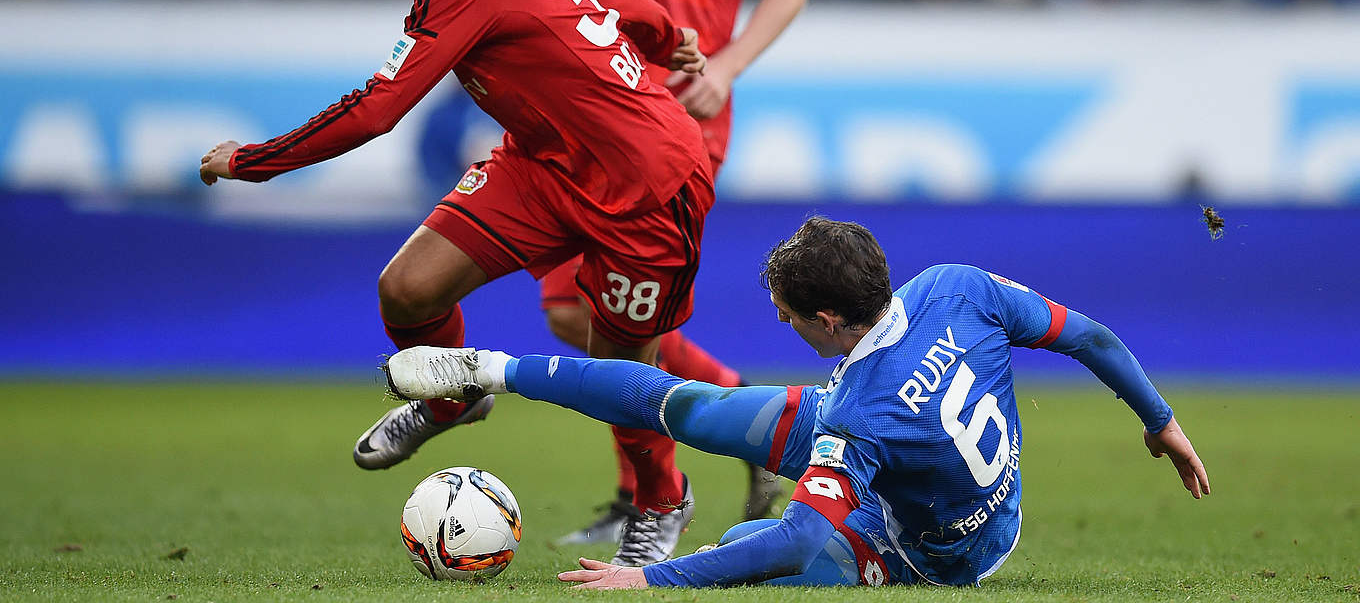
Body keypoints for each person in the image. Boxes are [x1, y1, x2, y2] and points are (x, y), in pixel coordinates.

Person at [197, 0, 713, 566]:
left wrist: (254, 161)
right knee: (407, 291)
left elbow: (377, 110)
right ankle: (452, 398)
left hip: (645, 184)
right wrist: (665, 34)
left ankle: (664, 503)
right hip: (542, 163)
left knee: (618, 378)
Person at [381, 216, 1211, 588]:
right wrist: (1162, 423)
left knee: (750, 545)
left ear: (827, 318)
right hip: (922, 445)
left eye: (784, 308)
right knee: (690, 409)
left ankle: (494, 372)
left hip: (940, 550)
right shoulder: (957, 287)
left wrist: (654, 583)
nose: (775, 317)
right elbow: (1091, 336)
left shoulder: (858, 414)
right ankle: (485, 367)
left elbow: (792, 543)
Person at [536, 0, 814, 542]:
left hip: (683, 114)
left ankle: (645, 497)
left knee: (601, 305)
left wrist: (727, 66)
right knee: (575, 309)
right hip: (599, 106)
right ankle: (756, 421)